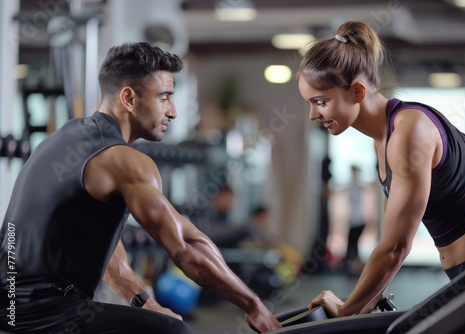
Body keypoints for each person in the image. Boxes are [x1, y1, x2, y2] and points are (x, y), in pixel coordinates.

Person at [0, 42, 281, 333]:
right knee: (174, 332)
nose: (172, 112)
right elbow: (186, 247)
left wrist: (143, 301)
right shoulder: (125, 161)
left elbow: (99, 244)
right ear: (129, 98)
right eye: (164, 98)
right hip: (42, 311)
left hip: (10, 306)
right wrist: (254, 305)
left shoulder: (64, 138)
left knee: (157, 321)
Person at [297, 20, 465, 318]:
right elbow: (392, 242)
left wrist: (346, 311)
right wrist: (357, 305)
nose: (313, 114)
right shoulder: (386, 138)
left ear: (357, 92)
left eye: (320, 102)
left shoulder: (408, 131)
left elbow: (395, 247)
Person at [342, 165, 368, 274]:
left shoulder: (356, 184)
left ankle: (356, 267)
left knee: (352, 245)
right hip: (355, 221)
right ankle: (354, 267)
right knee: (352, 245)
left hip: (358, 221)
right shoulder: (353, 184)